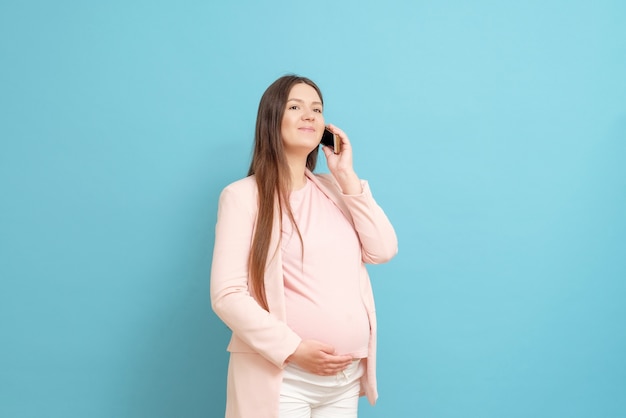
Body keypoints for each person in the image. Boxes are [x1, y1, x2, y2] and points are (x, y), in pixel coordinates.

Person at [210, 74, 398, 418]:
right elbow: (228, 294)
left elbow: (383, 250)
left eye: (317, 109)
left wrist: (346, 174)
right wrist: (294, 349)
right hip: (283, 378)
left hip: (342, 381)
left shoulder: (337, 191)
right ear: (271, 119)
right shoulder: (242, 197)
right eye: (295, 107)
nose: (310, 115)